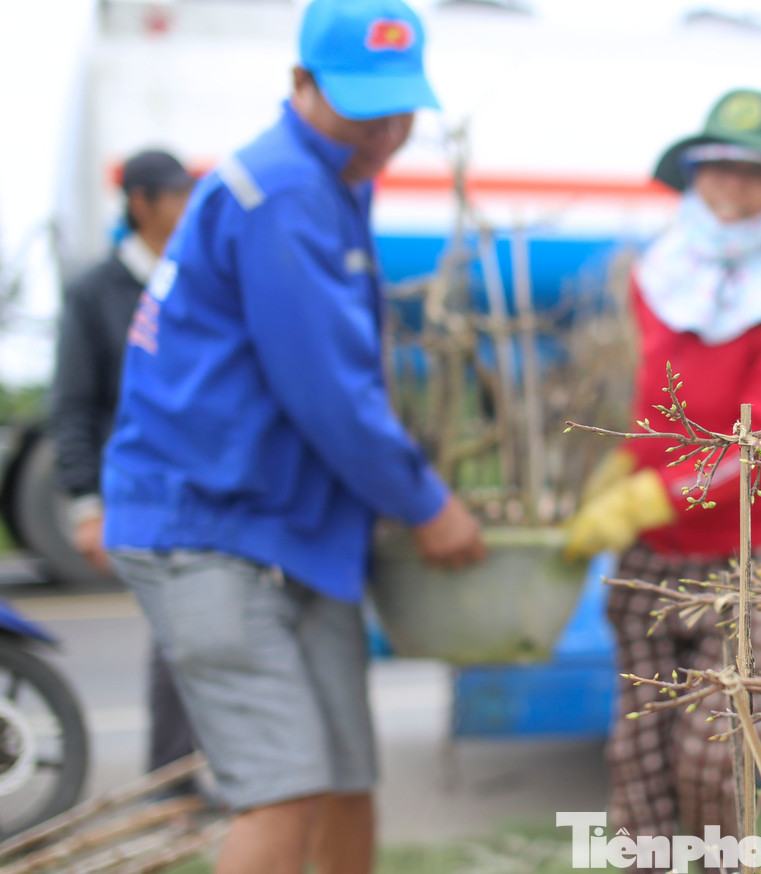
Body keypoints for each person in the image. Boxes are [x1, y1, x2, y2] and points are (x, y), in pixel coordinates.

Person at [100, 1, 486, 872]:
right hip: (211, 528)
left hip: (288, 530)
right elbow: (329, 394)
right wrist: (427, 505)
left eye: (400, 107)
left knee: (346, 774)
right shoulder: (283, 192)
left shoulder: (335, 177)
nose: (387, 130)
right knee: (283, 786)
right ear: (301, 86)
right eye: (363, 105)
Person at [564, 88, 761, 855]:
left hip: (753, 551)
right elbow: (654, 402)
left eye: (753, 173)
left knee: (713, 757)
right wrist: (625, 466)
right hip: (654, 553)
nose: (731, 187)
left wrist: (651, 495)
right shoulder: (659, 272)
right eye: (717, 167)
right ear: (693, 175)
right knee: (640, 761)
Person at [50, 148, 198, 783]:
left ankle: (184, 771)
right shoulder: (97, 293)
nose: (188, 206)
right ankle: (172, 776)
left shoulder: (195, 279)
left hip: (199, 487)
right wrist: (87, 504)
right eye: (176, 195)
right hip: (135, 488)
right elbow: (75, 402)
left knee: (195, 633)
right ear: (141, 203)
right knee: (176, 633)